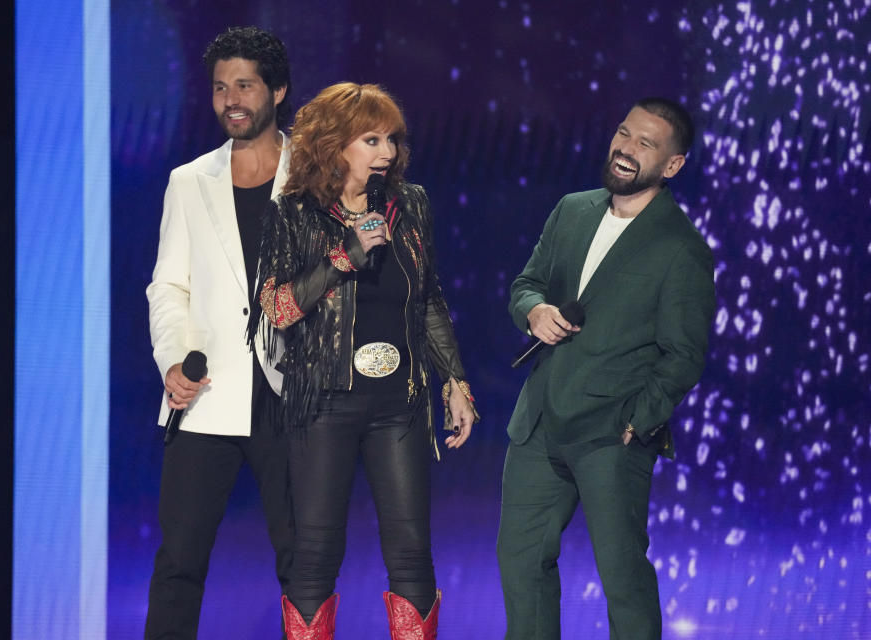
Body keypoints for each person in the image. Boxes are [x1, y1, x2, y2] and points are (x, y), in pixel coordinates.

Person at [248, 82, 479, 640]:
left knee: (411, 553)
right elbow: (275, 309)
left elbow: (428, 300)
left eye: (392, 141)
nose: (387, 153)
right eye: (371, 139)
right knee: (316, 554)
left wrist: (455, 383)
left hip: (398, 404)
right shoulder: (292, 213)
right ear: (334, 145)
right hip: (322, 403)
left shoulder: (411, 205)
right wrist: (343, 256)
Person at [496, 98, 716, 639]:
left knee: (623, 582)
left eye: (646, 143)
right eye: (623, 133)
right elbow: (526, 285)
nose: (625, 148)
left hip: (611, 436)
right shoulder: (573, 209)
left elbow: (683, 354)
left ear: (672, 165)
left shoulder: (680, 248)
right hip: (539, 425)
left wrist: (637, 420)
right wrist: (534, 311)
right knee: (521, 565)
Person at [144, 27, 295, 639]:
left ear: (277, 90)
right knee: (179, 561)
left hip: (292, 398)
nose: (231, 99)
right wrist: (175, 360)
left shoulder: (314, 172)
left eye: (245, 85)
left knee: (304, 563)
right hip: (204, 396)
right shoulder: (188, 180)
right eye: (219, 87)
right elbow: (168, 287)